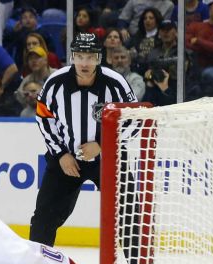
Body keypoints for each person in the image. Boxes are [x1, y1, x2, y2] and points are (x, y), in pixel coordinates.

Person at [30, 33, 136, 246]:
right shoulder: (55, 83)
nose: (84, 63)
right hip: (66, 160)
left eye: (89, 57)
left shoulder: (115, 83)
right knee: (43, 219)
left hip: (109, 160)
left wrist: (103, 145)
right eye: (79, 56)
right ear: (72, 57)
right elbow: (44, 117)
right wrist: (61, 154)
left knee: (130, 219)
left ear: (99, 58)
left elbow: (133, 121)